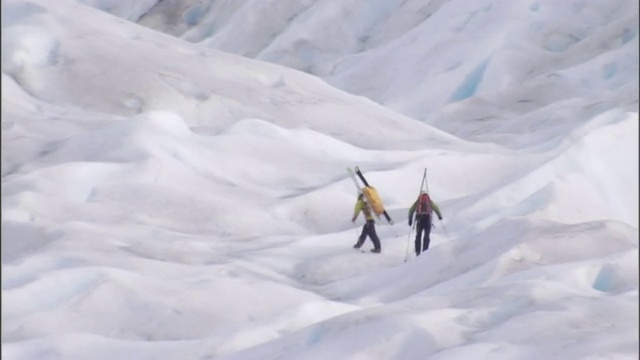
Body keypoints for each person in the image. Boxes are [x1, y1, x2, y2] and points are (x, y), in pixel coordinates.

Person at [408, 191, 443, 256]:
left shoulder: (418, 202)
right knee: (426, 236)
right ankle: (425, 251)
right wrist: (439, 216)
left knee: (418, 236)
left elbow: (411, 210)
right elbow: (436, 208)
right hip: (427, 220)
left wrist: (410, 219)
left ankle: (417, 252)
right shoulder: (429, 201)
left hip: (419, 220)